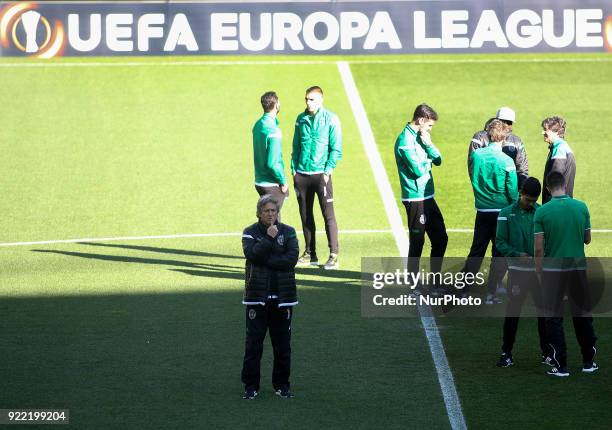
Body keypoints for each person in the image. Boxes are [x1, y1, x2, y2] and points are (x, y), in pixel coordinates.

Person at [534, 171, 597, 377]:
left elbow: (539, 249)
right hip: (578, 270)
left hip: (554, 271)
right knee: (582, 317)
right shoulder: (581, 207)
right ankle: (588, 362)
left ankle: (561, 366)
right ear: (565, 185)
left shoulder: (542, 212)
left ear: (548, 187)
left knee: (553, 318)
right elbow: (587, 239)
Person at [241, 195, 299, 399]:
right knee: (253, 344)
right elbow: (253, 255)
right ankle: (250, 386)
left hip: (283, 299)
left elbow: (291, 260)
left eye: (273, 210)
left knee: (282, 345)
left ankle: (282, 385)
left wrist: (267, 258)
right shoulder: (249, 233)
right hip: (257, 298)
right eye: (266, 211)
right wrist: (269, 238)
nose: (270, 214)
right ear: (259, 213)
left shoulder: (289, 232)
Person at [494, 177, 550, 367]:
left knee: (543, 312)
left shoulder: (542, 212)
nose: (531, 204)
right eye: (528, 200)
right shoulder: (505, 213)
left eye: (534, 200)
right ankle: (506, 352)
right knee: (513, 312)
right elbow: (500, 242)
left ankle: (547, 352)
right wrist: (517, 254)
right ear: (520, 193)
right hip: (518, 272)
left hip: (539, 272)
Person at [394, 103, 447, 293]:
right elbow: (417, 171)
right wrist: (428, 161)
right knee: (418, 241)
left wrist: (429, 144)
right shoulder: (404, 141)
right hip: (415, 198)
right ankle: (414, 282)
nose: (430, 129)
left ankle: (435, 281)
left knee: (441, 238)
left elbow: (439, 159)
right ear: (421, 120)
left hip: (428, 195)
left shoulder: (422, 137)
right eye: (430, 125)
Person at [463, 119, 518, 303]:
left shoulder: (477, 156)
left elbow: (472, 175)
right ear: (504, 137)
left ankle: (464, 289)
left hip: (482, 210)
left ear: (488, 135)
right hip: (501, 212)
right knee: (499, 252)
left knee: (477, 250)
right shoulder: (507, 160)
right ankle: (491, 293)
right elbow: (512, 191)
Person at [291, 86, 342, 270]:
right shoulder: (300, 119)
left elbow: (336, 149)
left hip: (321, 175)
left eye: (312, 99)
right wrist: (294, 171)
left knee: (328, 215)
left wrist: (327, 171)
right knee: (305, 215)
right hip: (302, 175)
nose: (308, 103)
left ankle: (334, 255)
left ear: (321, 100)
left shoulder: (331, 119)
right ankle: (310, 253)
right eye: (306, 99)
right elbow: (295, 147)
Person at [468, 107, 528, 189]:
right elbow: (473, 165)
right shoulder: (480, 138)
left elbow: (522, 169)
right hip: (485, 190)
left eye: (509, 122)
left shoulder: (516, 141)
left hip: (509, 191)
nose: (507, 125)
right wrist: (479, 189)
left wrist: (519, 191)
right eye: (504, 121)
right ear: (497, 121)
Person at [252, 91, 288, 209]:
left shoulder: (257, 125)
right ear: (276, 105)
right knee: (274, 223)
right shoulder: (274, 131)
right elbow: (272, 163)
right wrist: (283, 181)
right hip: (271, 184)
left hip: (259, 182)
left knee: (265, 221)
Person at [541, 116, 575, 204]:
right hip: (564, 202)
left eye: (546, 130)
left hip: (557, 203)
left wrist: (549, 204)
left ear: (556, 132)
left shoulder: (559, 150)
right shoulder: (564, 147)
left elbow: (555, 180)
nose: (543, 132)